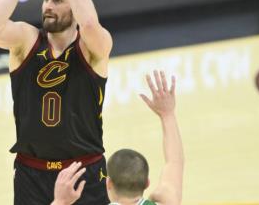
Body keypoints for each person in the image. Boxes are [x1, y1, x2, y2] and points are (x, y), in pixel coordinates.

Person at [0, 0, 112, 204]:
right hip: (32, 172)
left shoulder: (94, 47)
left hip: (83, 170)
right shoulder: (27, 40)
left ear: (75, 7)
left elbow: (89, 25)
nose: (48, 6)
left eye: (58, 0)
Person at [52, 71, 184, 205]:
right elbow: (175, 162)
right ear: (147, 183)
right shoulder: (168, 201)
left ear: (108, 183)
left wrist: (60, 201)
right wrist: (167, 114)